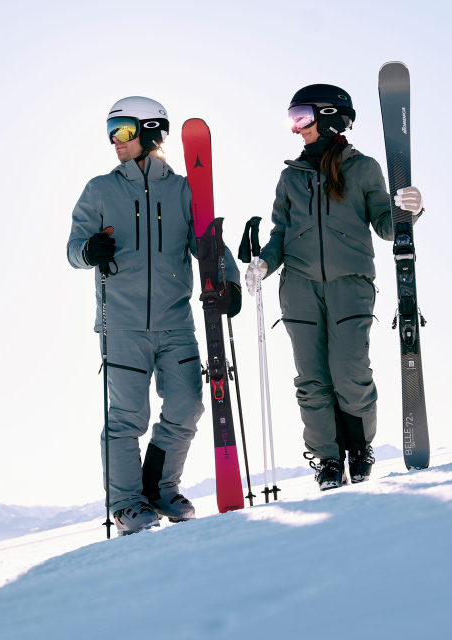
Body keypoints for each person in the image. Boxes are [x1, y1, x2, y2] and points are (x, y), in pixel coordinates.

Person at [67, 96, 242, 535]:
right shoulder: (100, 190)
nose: (115, 142)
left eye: (123, 131)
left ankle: (160, 487)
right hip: (121, 324)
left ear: (150, 131)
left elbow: (209, 244)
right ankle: (127, 503)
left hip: (175, 320)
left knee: (189, 406)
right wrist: (88, 250)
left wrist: (230, 283)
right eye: (111, 134)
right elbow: (73, 248)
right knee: (126, 418)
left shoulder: (184, 191)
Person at [245, 84, 424, 491]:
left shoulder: (362, 169)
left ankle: (359, 448)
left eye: (302, 117)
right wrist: (262, 265)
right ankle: (327, 460)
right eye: (292, 119)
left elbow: (384, 224)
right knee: (312, 380)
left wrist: (408, 211)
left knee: (350, 371)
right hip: (299, 288)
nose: (296, 128)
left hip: (350, 285)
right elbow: (279, 235)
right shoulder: (291, 177)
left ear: (328, 116)